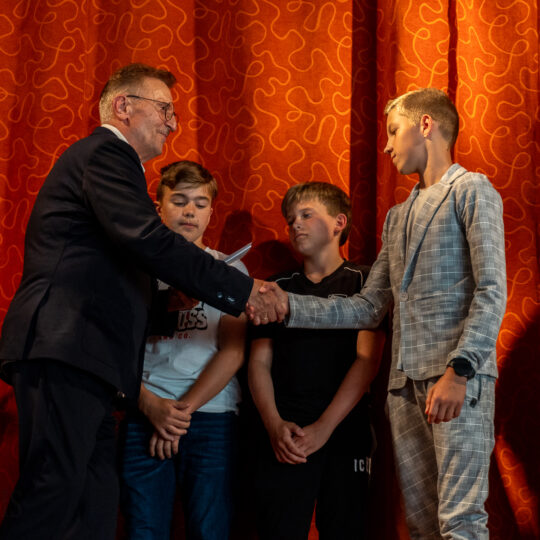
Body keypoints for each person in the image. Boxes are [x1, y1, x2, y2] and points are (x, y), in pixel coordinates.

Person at [0, 63, 284, 540]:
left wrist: (164, 304)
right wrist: (245, 290)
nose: (173, 124)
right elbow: (148, 240)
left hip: (94, 362)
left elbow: (109, 266)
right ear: (123, 106)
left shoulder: (113, 163)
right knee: (53, 494)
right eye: (165, 109)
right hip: (67, 349)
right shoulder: (107, 154)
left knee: (94, 505)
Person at [252, 88, 507, 539]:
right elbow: (368, 307)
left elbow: (491, 290)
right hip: (403, 388)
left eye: (393, 131)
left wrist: (461, 370)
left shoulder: (471, 190)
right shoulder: (397, 216)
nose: (387, 146)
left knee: (460, 520)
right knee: (422, 524)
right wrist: (289, 304)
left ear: (425, 125)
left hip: (456, 379)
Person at [248, 182, 386, 539]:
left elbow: (367, 360)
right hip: (286, 432)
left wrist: (324, 427)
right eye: (290, 219)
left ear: (339, 222)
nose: (295, 224)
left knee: (345, 529)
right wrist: (274, 425)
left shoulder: (365, 282)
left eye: (306, 214)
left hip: (345, 429)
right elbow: (259, 364)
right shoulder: (275, 286)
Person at [121, 160, 248, 540]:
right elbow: (114, 350)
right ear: (158, 206)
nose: (190, 211)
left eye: (200, 203)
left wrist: (179, 414)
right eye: (179, 201)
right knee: (144, 530)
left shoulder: (231, 270)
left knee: (210, 530)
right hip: (144, 411)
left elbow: (233, 351)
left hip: (210, 415)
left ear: (211, 212)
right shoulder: (131, 269)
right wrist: (151, 406)